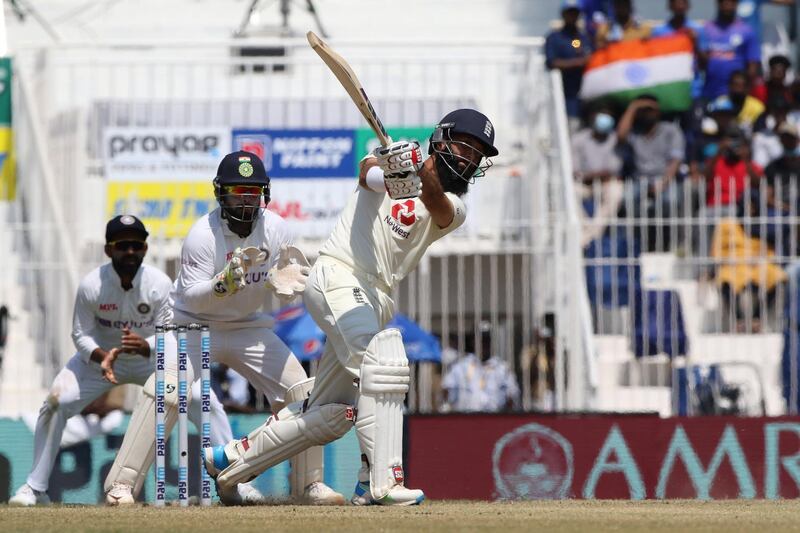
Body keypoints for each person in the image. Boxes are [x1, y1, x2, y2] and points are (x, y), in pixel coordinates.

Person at [203, 109, 499, 507]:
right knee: (383, 367)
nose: (469, 159)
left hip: (376, 296)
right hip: (340, 274)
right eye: (464, 146)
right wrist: (392, 170)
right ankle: (379, 481)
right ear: (441, 140)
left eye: (478, 154)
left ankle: (229, 458)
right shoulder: (388, 164)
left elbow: (435, 203)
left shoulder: (454, 208)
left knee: (328, 413)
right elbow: (367, 174)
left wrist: (414, 176)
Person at [101, 152, 343, 506]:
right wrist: (223, 283)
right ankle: (121, 486)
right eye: (237, 191)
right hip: (190, 323)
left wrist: (282, 284)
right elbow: (192, 298)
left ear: (265, 193)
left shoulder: (276, 229)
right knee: (168, 389)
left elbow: (285, 282)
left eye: (253, 191)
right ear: (221, 193)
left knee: (301, 390)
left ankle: (309, 485)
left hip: (246, 326)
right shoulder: (203, 235)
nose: (245, 200)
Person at [8, 215, 239, 506]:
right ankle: (34, 488)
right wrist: (101, 356)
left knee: (204, 401)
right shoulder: (92, 285)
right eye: (122, 245)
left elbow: (170, 334)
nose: (130, 252)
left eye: (136, 245)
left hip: (151, 359)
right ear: (109, 250)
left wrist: (146, 346)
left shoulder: (158, 283)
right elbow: (80, 334)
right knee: (55, 404)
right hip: (101, 361)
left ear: (144, 248)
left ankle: (234, 479)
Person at [571, 104, 624, 245]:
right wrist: (596, 175)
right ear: (592, 117)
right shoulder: (578, 139)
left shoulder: (615, 139)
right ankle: (589, 233)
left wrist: (591, 175)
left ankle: (589, 236)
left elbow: (613, 170)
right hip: (584, 185)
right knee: (569, 192)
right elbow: (575, 171)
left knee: (616, 192)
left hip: (605, 184)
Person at [441, 324, 520, 413]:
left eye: (486, 340)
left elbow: (512, 396)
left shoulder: (502, 368)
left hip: (494, 419)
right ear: (473, 342)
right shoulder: (461, 367)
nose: (483, 344)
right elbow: (446, 391)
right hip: (467, 418)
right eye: (480, 340)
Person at [699, 0, 761, 101]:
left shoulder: (746, 30)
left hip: (736, 95)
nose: (727, 5)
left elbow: (752, 65)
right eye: (723, 2)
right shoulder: (706, 28)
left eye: (731, 2)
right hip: (709, 94)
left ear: (736, 4)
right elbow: (701, 63)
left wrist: (744, 90)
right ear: (718, 4)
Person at [545, 0, 593, 121]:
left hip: (584, 94)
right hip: (563, 93)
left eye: (575, 13)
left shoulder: (585, 37)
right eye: (569, 13)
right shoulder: (554, 37)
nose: (572, 16)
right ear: (563, 14)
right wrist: (578, 62)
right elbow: (552, 62)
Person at [652, 0, 706, 100]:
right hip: (668, 89)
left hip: (692, 90)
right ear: (669, 6)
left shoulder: (697, 30)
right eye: (676, 2)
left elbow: (704, 64)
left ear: (688, 6)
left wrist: (695, 42)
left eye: (683, 2)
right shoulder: (658, 32)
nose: (679, 6)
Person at [727, 70, 766, 135]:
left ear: (747, 88)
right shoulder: (721, 103)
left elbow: (760, 132)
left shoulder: (758, 107)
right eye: (735, 85)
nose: (738, 89)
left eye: (742, 85)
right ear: (730, 86)